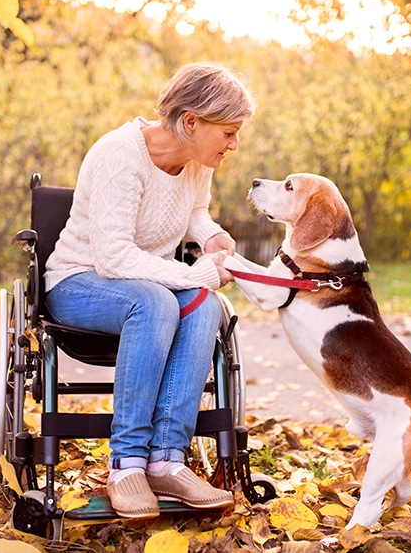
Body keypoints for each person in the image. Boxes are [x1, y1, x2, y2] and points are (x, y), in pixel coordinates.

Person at [44, 62, 255, 519]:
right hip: (80, 282)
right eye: (229, 132)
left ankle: (166, 460)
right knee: (160, 300)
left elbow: (195, 210)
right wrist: (196, 273)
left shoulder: (198, 161)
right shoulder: (120, 155)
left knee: (204, 306)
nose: (235, 144)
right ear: (192, 121)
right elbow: (114, 258)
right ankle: (126, 465)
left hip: (147, 284)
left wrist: (211, 236)